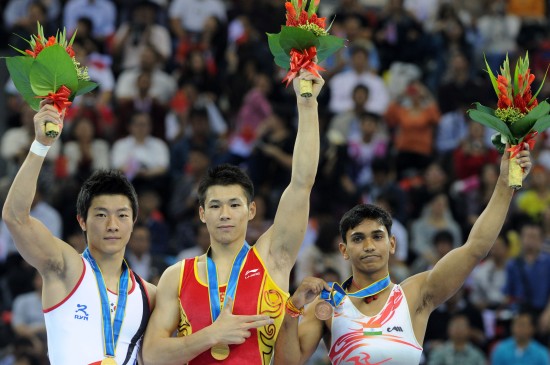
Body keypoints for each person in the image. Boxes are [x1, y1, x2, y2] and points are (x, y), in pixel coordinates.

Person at [273, 144, 532, 365]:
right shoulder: (328, 305)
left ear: (393, 244)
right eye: (358, 239)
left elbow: (475, 248)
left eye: (377, 236)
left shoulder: (415, 295)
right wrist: (293, 308)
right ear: (344, 250)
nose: (369, 246)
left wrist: (504, 184)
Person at [142, 70, 324, 364]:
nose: (224, 214)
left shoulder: (272, 258)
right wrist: (212, 335)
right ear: (202, 214)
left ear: (251, 211)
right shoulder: (176, 276)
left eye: (234, 205)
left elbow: (302, 183)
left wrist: (307, 104)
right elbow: (151, 356)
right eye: (214, 206)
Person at [1, 101, 157, 364]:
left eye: (122, 215)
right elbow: (15, 217)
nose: (112, 225)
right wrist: (41, 145)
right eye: (101, 214)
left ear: (134, 221)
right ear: (81, 221)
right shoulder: (65, 267)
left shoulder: (150, 294)